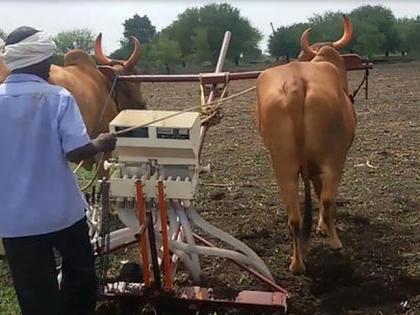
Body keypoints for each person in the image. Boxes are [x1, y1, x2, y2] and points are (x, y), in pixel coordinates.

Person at [0, 26, 116, 315]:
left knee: (34, 293)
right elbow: (76, 151)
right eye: (48, 59)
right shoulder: (58, 98)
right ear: (38, 61)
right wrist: (101, 142)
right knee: (81, 279)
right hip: (61, 215)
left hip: (14, 222)